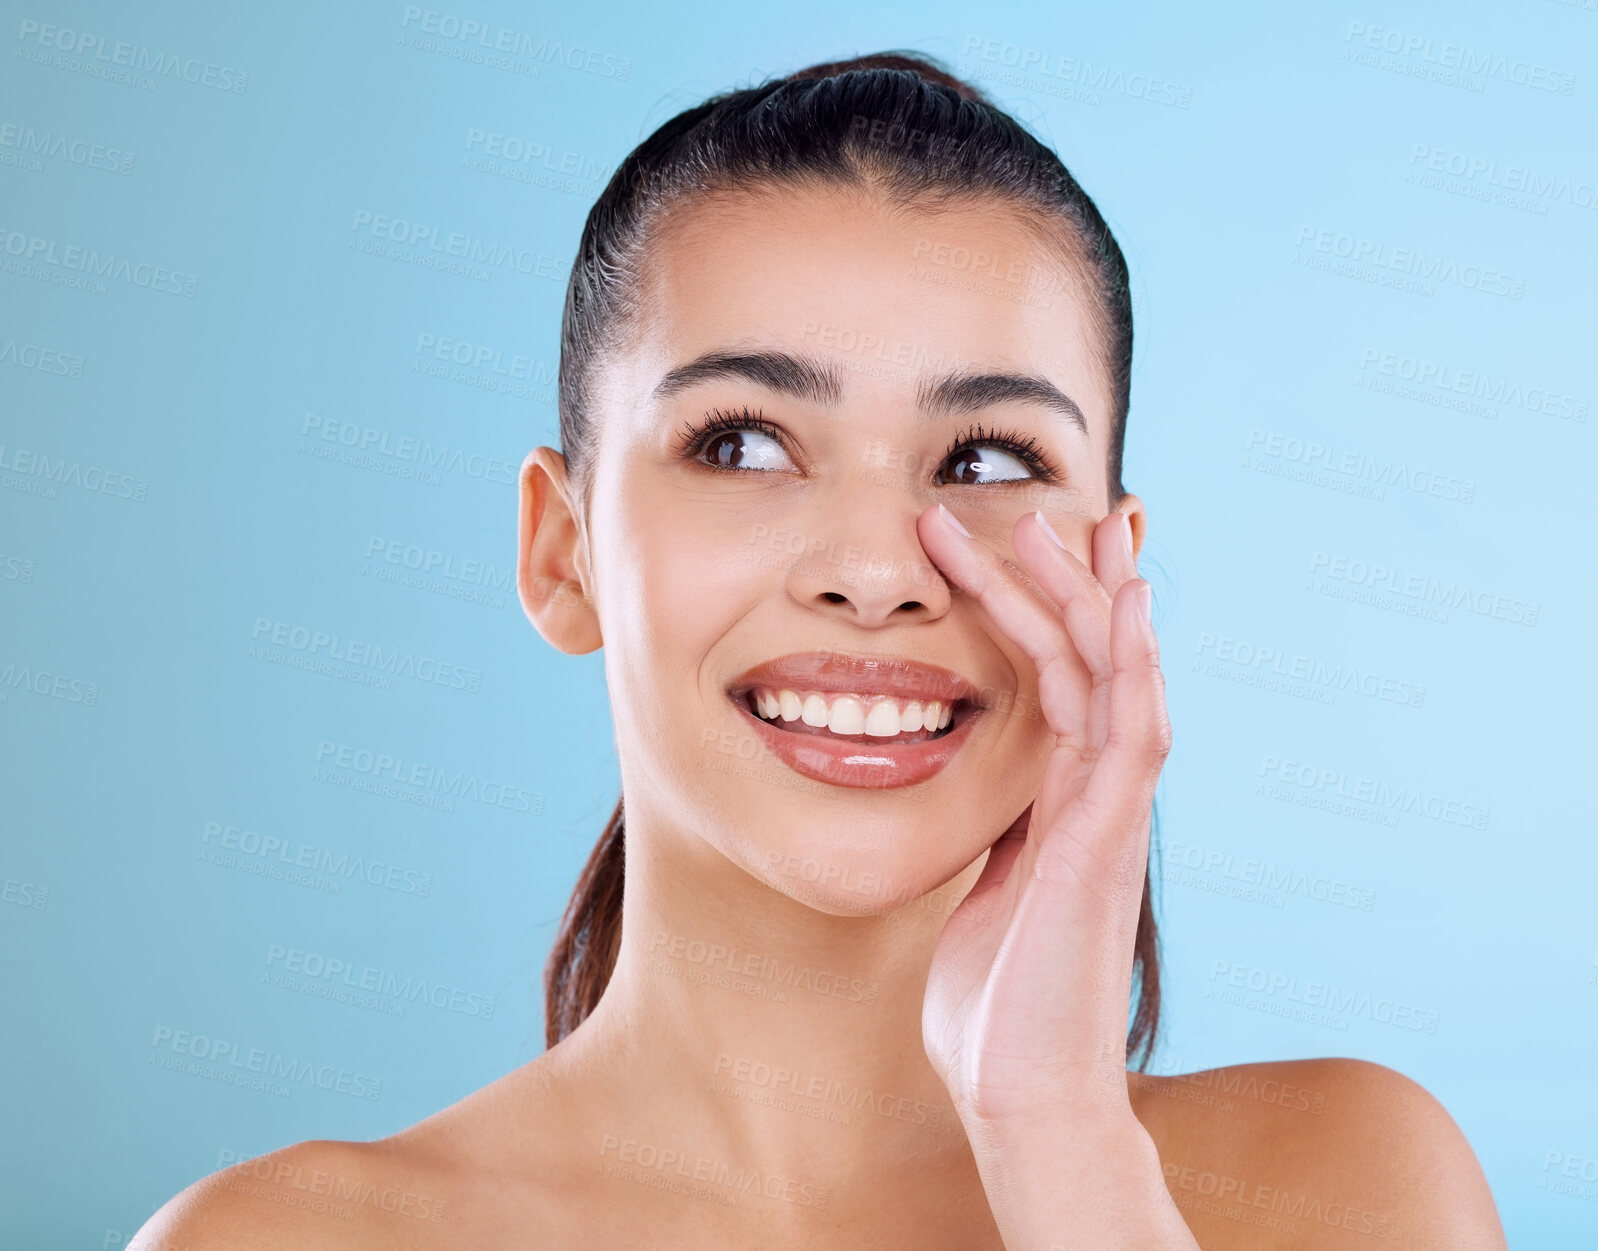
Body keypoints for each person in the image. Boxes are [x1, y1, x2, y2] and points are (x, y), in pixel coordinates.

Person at [135, 52, 1506, 1249]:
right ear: (561, 553)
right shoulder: (271, 1240)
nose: (872, 570)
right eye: (739, 443)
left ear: (1111, 564)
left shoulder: (1351, 1184)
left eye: (984, 457)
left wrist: (1054, 1138)